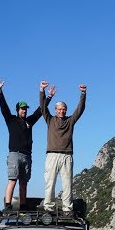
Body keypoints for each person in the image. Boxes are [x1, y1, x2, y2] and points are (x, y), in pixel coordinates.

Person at [0, 77, 55, 210]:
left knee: (24, 183)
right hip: (14, 154)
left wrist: (49, 96)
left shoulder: (29, 121)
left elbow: (40, 111)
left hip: (27, 155)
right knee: (12, 180)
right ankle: (8, 206)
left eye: (25, 109)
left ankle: (22, 206)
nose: (24, 111)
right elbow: (3, 107)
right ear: (17, 110)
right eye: (22, 109)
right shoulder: (11, 120)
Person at [39, 80, 87, 213]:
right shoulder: (50, 119)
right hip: (52, 155)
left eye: (63, 109)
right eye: (59, 109)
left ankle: (67, 209)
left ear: (66, 110)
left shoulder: (70, 121)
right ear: (55, 110)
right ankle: (48, 207)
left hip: (67, 155)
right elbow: (42, 107)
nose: (61, 111)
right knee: (50, 182)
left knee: (67, 184)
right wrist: (42, 91)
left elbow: (80, 109)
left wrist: (83, 93)